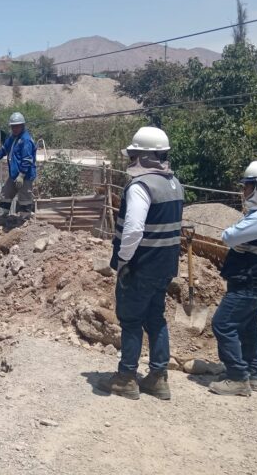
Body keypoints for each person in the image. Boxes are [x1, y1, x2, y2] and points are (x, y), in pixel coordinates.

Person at [98, 126, 183, 400]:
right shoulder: (174, 183)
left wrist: (123, 260)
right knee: (155, 319)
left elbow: (134, 229)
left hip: (141, 265)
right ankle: (158, 377)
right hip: (165, 266)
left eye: (133, 155)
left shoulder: (140, 187)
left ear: (143, 157)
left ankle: (126, 378)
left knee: (132, 319)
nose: (130, 161)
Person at [209, 161, 257, 396]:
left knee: (223, 324)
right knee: (249, 327)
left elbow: (228, 236)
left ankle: (237, 377)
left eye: (247, 186)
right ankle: (253, 374)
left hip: (249, 281)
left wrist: (237, 234)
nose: (244, 191)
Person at [0, 112, 37, 224]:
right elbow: (3, 148)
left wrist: (21, 175)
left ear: (22, 126)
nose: (15, 128)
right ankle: (1, 218)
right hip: (13, 175)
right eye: (13, 126)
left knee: (24, 198)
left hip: (25, 176)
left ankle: (24, 221)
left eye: (17, 126)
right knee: (5, 194)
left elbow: (27, 159)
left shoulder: (26, 140)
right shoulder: (12, 138)